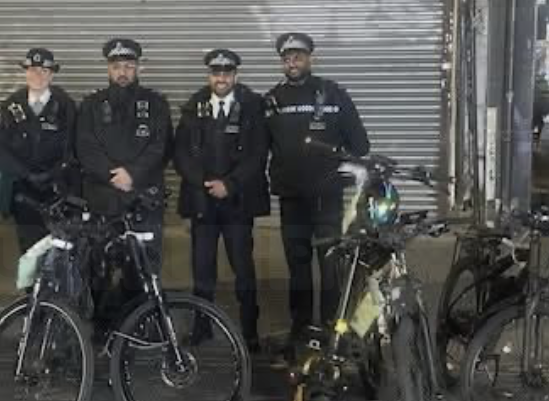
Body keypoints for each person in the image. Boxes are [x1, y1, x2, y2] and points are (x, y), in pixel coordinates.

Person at [264, 32, 370, 367]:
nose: (292, 62)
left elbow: (360, 145)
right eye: (287, 58)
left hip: (327, 198)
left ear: (311, 58)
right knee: (297, 269)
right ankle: (300, 333)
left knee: (329, 268)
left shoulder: (334, 94)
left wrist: (339, 166)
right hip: (292, 199)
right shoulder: (273, 100)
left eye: (298, 56)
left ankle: (331, 335)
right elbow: (260, 148)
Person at [173, 49, 270, 353]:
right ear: (209, 76)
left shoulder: (252, 107)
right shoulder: (194, 106)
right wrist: (203, 182)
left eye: (227, 73)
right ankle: (201, 329)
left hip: (237, 202)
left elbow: (258, 153)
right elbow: (181, 153)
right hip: (203, 201)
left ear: (235, 76)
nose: (221, 78)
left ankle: (250, 332)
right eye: (216, 73)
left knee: (243, 270)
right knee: (202, 271)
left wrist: (230, 184)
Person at [76, 37, 173, 314]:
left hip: (143, 200)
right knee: (99, 271)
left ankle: (140, 324)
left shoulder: (156, 104)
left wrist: (132, 174)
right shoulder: (92, 104)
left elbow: (162, 146)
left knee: (143, 271)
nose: (123, 72)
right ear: (108, 69)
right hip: (103, 200)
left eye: (129, 66)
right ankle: (102, 326)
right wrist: (112, 176)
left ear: (138, 68)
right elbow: (85, 147)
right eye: (117, 66)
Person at [0, 48, 78, 253]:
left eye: (44, 71)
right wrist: (26, 174)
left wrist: (54, 173)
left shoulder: (66, 105)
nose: (38, 76)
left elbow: (73, 146)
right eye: (33, 70)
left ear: (52, 75)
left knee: (60, 248)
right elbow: (3, 149)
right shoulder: (11, 105)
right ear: (26, 73)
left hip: (57, 188)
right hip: (24, 191)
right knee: (29, 248)